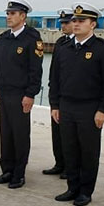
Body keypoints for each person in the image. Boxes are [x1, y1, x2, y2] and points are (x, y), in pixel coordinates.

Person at [49, 3, 104, 206]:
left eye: (81, 21)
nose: (76, 24)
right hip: (66, 106)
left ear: (93, 24)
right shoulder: (64, 49)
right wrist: (55, 105)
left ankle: (85, 192)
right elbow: (55, 79)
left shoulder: (102, 50)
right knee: (69, 149)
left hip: (90, 109)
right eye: (75, 20)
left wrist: (103, 110)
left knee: (88, 151)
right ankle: (72, 187)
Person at [0, 0, 43, 189]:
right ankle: (7, 169)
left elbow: (35, 71)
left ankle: (19, 173)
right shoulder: (4, 39)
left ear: (23, 16)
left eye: (12, 14)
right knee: (6, 133)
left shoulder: (31, 39)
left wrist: (30, 94)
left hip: (21, 95)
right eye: (7, 13)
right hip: (4, 93)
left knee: (20, 135)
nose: (9, 17)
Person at [43, 9, 74, 177]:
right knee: (57, 131)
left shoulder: (77, 44)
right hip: (59, 94)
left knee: (69, 135)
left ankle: (70, 167)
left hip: (72, 96)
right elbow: (54, 70)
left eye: (66, 23)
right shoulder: (61, 42)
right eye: (62, 23)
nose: (63, 26)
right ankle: (59, 163)